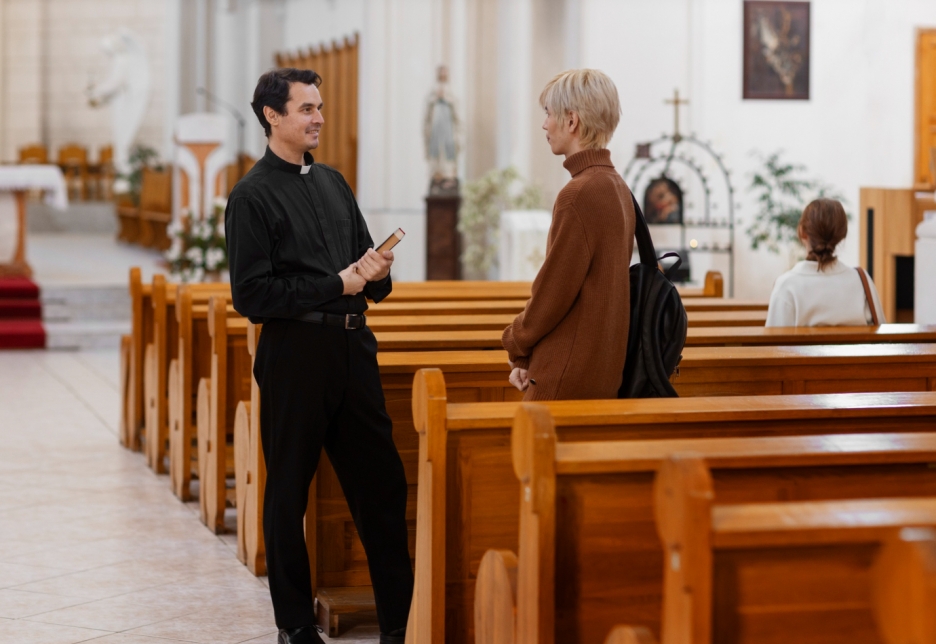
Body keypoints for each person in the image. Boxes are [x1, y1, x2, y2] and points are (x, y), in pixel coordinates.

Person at [225, 68, 413, 644]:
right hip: (295, 355)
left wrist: (375, 272)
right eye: (306, 108)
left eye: (320, 107)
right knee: (288, 493)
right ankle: (296, 626)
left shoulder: (333, 182)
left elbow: (362, 271)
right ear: (271, 116)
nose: (318, 118)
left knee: (383, 488)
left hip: (354, 349)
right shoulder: (251, 196)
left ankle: (402, 622)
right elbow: (252, 297)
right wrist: (339, 283)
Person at [502, 69, 635, 401]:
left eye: (549, 114)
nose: (545, 124)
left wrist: (516, 341)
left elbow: (553, 291)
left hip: (566, 375)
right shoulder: (617, 186)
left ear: (572, 121)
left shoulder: (580, 193)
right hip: (601, 370)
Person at [765, 198, 885, 327]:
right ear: (842, 235)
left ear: (802, 232)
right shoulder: (862, 280)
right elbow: (882, 333)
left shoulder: (787, 286)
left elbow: (773, 344)